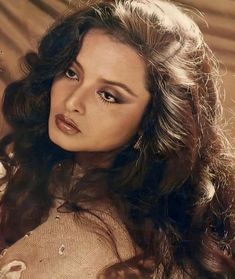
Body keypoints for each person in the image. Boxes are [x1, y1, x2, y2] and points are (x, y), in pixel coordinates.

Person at [0, 0, 234, 278]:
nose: (73, 101)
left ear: (152, 122)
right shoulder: (38, 167)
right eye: (71, 72)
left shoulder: (107, 246)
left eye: (108, 95)